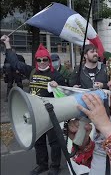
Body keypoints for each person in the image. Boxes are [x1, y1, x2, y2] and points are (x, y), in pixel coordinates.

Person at [1, 35, 65, 175]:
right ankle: (42, 165)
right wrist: (7, 44)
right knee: (38, 140)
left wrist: (59, 87)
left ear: (49, 60)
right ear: (36, 61)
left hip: (51, 114)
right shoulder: (32, 71)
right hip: (35, 113)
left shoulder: (56, 76)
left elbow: (66, 93)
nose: (42, 62)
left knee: (54, 142)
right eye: (39, 60)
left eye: (45, 59)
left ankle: (55, 166)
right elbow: (15, 62)